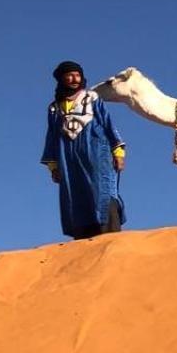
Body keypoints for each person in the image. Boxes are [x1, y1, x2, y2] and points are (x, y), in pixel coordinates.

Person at [41, 60, 127, 240]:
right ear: (62, 79)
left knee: (101, 189)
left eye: (77, 75)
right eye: (70, 75)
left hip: (96, 153)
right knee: (75, 192)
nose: (74, 79)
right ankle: (83, 237)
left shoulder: (92, 98)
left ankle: (109, 235)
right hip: (68, 158)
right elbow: (52, 137)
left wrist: (118, 152)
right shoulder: (54, 108)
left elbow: (108, 124)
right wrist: (53, 166)